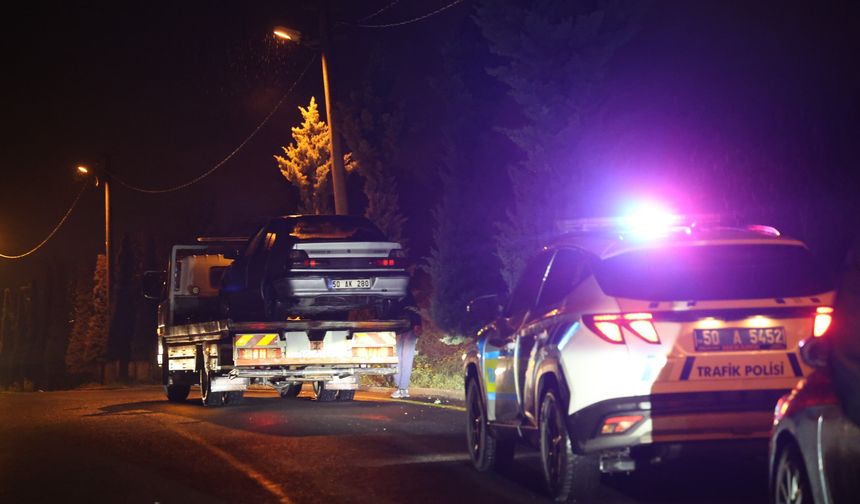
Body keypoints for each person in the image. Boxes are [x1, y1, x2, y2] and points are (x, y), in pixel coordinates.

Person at [391, 292, 422, 399]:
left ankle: (402, 388)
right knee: (403, 359)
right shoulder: (408, 298)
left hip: (402, 331)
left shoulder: (395, 299)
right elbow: (416, 312)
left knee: (399, 359)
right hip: (407, 330)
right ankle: (402, 388)